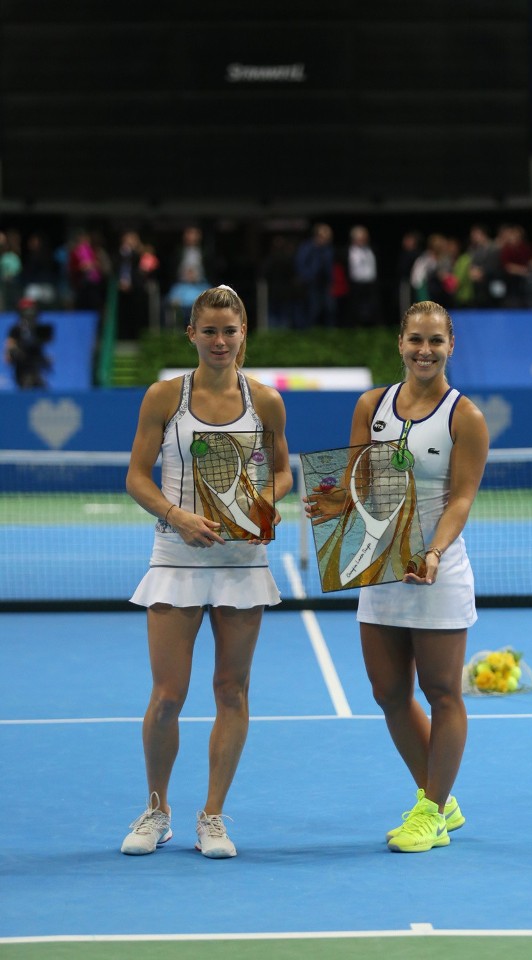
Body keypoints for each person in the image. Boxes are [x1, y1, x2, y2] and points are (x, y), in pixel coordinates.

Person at [307, 300, 489, 853]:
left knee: (442, 693)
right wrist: (336, 502)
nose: (424, 350)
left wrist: (432, 552)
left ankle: (431, 812)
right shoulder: (372, 404)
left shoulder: (466, 418)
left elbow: (460, 500)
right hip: (381, 568)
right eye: (415, 340)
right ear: (400, 343)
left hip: (436, 570)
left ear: (450, 346)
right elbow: (363, 481)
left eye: (435, 341)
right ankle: (440, 797)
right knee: (388, 692)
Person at [121, 284, 293, 859]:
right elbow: (137, 478)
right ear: (191, 334)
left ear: (244, 334)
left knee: (231, 691)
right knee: (168, 694)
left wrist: (261, 504)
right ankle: (156, 809)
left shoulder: (266, 401)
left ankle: (213, 816)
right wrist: (177, 516)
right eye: (210, 331)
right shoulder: (163, 397)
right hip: (176, 556)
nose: (220, 341)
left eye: (230, 330)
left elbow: (284, 473)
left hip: (242, 562)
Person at [3, 297, 53, 388]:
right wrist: (12, 353)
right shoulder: (16, 329)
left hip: (36, 368)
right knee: (26, 387)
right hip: (22, 368)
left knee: (41, 388)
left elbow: (40, 347)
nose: (30, 315)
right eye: (26, 312)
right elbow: (9, 348)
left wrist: (45, 360)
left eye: (32, 312)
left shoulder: (38, 329)